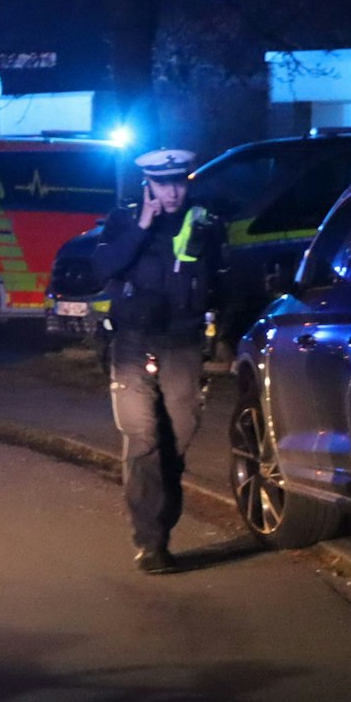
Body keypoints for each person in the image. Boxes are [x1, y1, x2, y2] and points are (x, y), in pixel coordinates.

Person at [91, 147, 224, 574]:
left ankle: (161, 522)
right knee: (143, 437)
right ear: (147, 184)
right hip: (133, 342)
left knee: (177, 439)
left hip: (183, 344)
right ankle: (151, 542)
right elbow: (103, 266)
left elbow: (223, 278)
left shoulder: (205, 223)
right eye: (162, 183)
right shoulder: (123, 220)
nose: (171, 192)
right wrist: (143, 226)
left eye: (178, 182)